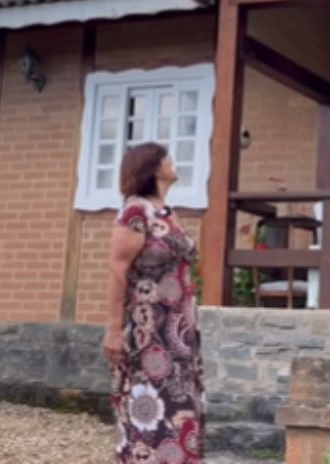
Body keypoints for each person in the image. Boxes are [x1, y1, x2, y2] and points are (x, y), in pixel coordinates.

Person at [104, 143, 205, 463]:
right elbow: (118, 270)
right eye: (168, 158)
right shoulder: (135, 211)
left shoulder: (168, 213)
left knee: (180, 405)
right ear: (153, 167)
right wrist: (113, 330)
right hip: (148, 331)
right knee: (148, 407)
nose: (173, 163)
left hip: (179, 330)